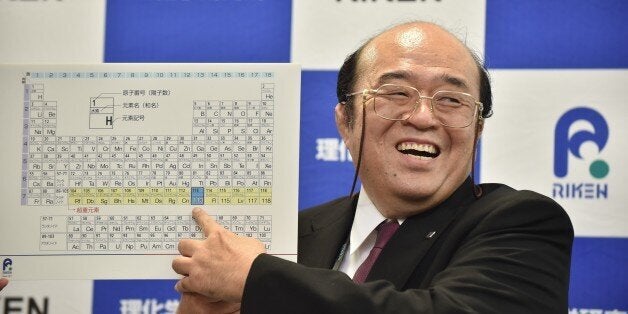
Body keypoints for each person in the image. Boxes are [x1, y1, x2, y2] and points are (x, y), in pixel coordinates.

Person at [171, 21, 573, 313]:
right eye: (395, 92)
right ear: (345, 122)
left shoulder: (522, 222)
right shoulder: (290, 236)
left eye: (451, 100)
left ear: (478, 128)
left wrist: (256, 279)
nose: (423, 117)